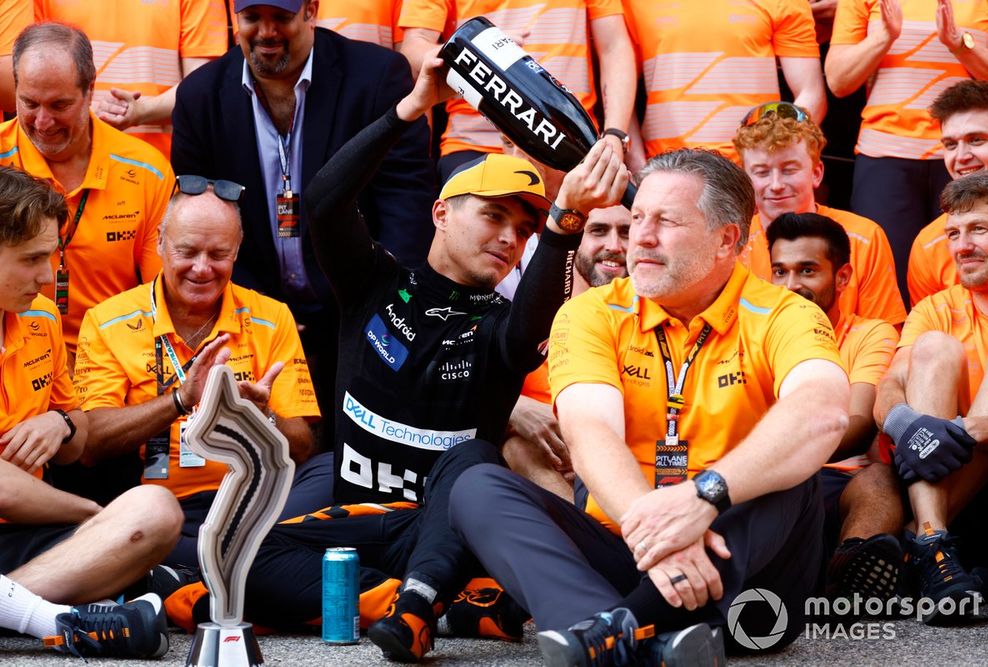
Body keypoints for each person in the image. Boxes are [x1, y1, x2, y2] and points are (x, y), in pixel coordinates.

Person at [158, 55, 628, 663]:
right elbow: (324, 202)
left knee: (475, 460)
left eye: (524, 228)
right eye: (493, 214)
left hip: (443, 538)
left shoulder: (503, 326)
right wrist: (410, 108)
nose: (510, 237)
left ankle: (413, 608)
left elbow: (538, 318)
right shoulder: (374, 282)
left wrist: (564, 225)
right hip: (352, 520)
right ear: (440, 212)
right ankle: (426, 607)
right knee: (226, 547)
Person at [449, 148, 849, 666]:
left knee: (793, 469)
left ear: (728, 239)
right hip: (627, 551)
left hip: (747, 592)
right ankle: (619, 634)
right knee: (476, 484)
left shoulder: (783, 313)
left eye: (666, 221)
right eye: (639, 218)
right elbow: (589, 431)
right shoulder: (591, 311)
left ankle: (618, 630)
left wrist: (703, 499)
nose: (641, 237)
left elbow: (825, 411)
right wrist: (660, 530)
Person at [172, 0, 437, 443]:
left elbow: (405, 206)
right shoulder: (201, 96)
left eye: (281, 17)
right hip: (255, 310)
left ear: (311, 10)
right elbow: (201, 221)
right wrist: (259, 310)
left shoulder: (376, 77)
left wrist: (384, 307)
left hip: (359, 303)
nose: (266, 32)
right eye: (253, 18)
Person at [73, 176, 321, 567]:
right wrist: (179, 400)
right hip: (160, 512)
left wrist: (260, 417)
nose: (202, 269)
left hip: (254, 503)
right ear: (159, 243)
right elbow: (90, 444)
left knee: (329, 474)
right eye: (187, 251)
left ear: (237, 250)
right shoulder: (107, 321)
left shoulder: (272, 317)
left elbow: (303, 447)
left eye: (218, 253)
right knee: (264, 561)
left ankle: (197, 578)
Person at [0, 164, 181, 659]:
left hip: (25, 541)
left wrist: (57, 423)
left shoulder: (42, 317)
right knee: (123, 532)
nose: (49, 275)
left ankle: (14, 606)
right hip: (43, 516)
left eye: (53, 256)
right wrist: (92, 514)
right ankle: (47, 616)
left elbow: (77, 442)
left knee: (156, 510)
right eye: (32, 259)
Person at [1, 22, 174, 364]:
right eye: (30, 103)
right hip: (16, 362)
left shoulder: (147, 171)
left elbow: (164, 298)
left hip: (116, 360)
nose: (43, 121)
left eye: (59, 105)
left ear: (90, 90)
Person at [874, 171, 988, 624]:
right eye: (952, 234)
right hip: (944, 487)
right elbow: (888, 389)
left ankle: (920, 547)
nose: (962, 245)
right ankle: (933, 546)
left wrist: (965, 430)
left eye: (979, 229)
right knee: (934, 348)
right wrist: (912, 427)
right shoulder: (936, 308)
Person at [766, 212, 904, 601]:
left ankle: (849, 574)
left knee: (881, 480)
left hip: (838, 478)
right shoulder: (754, 330)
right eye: (780, 272)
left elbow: (860, 425)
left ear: (842, 277)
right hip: (768, 477)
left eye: (807, 271)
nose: (791, 286)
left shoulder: (870, 333)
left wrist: (779, 451)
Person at [825, 0, 988, 303]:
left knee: (972, 265)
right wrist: (884, 37)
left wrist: (962, 45)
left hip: (968, 154)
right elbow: (838, 80)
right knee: (890, 279)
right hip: (886, 152)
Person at [398, 0, 638, 179]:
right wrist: (471, 52)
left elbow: (614, 46)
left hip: (572, 141)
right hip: (476, 144)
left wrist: (615, 134)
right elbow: (414, 48)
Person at [732, 101, 907, 327]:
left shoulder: (864, 237)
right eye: (762, 172)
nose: (775, 184)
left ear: (816, 173)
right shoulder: (732, 245)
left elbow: (884, 335)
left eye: (789, 170)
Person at [507, 203, 631, 500]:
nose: (614, 245)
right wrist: (513, 408)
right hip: (546, 472)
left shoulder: (660, 317)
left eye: (626, 233)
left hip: (626, 465)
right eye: (598, 231)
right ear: (574, 237)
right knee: (516, 448)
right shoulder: (533, 318)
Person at [620, 0, 826, 165]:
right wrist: (639, 166)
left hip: (751, 173)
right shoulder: (632, 4)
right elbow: (619, 90)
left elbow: (811, 93)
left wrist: (769, 162)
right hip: (666, 167)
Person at [39, 0, 229, 158]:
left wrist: (140, 112)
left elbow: (204, 88)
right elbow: (30, 76)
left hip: (159, 166)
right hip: (67, 160)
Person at [908, 80, 988, 305]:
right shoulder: (930, 243)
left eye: (976, 140)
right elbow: (929, 328)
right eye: (950, 145)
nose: (960, 157)